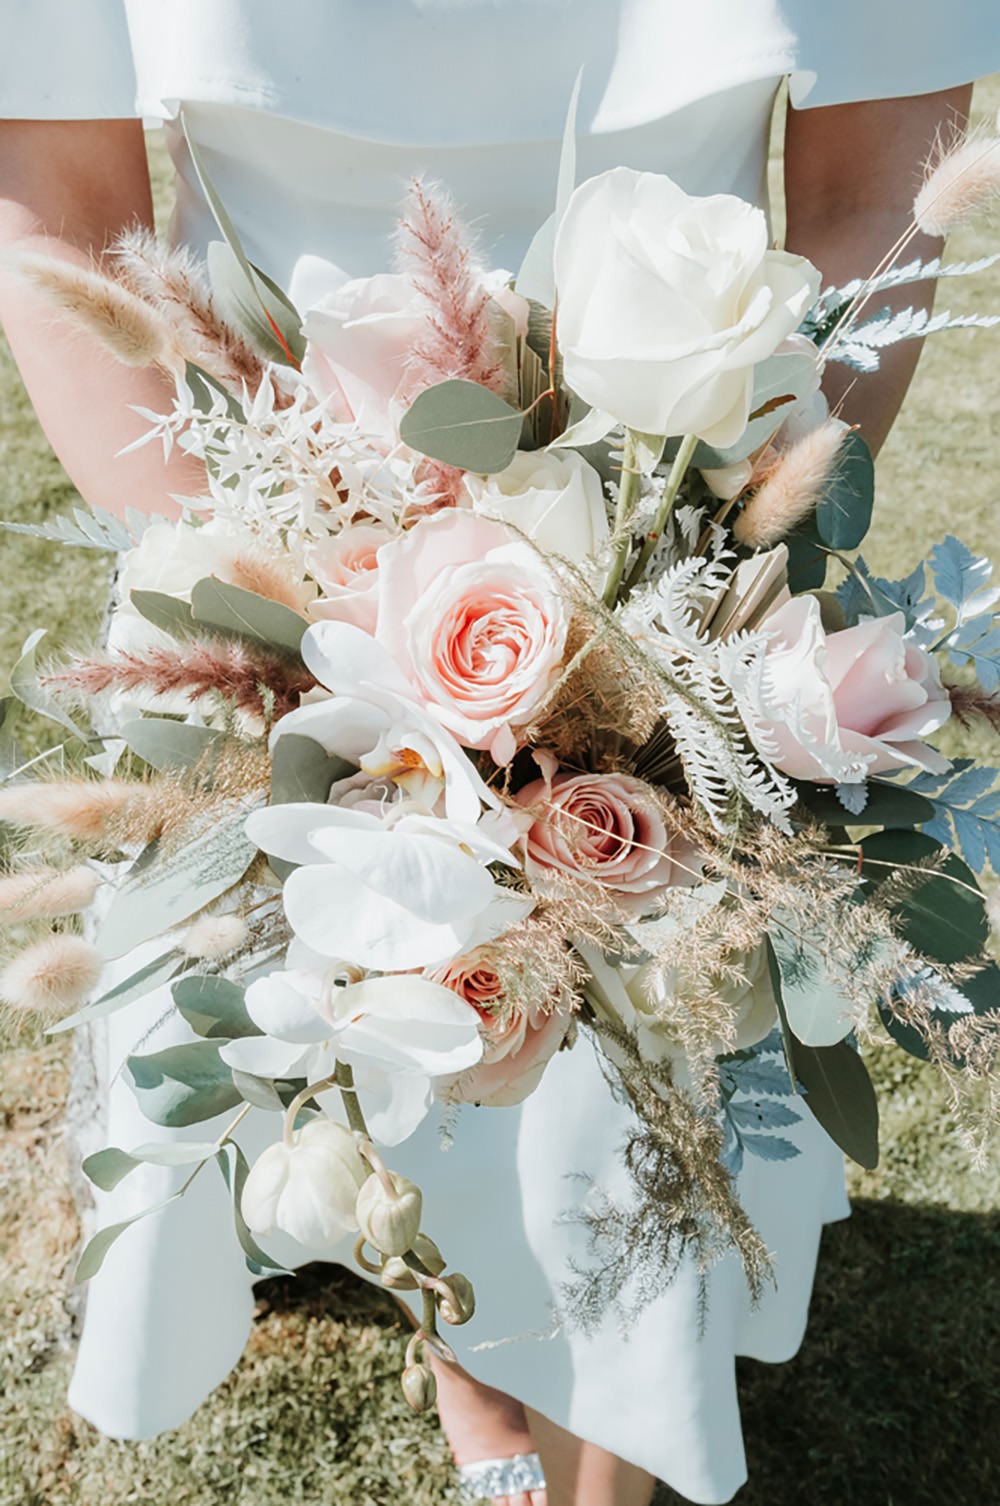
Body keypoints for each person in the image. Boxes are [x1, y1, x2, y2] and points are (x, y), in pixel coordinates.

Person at [2, 5, 998, 1504]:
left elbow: (876, 188)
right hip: (280, 513)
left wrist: (711, 548)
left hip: (698, 504)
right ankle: (471, 1370)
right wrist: (287, 599)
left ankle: (623, 1464)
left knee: (661, 1036)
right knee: (393, 989)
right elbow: (65, 221)